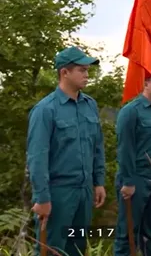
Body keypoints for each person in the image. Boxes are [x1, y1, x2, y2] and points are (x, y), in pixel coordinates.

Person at [26, 46, 106, 256]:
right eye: (82, 70)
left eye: (88, 70)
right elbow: (37, 157)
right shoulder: (45, 110)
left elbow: (97, 146)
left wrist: (98, 182)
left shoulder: (89, 105)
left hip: (84, 191)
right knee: (51, 249)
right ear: (65, 72)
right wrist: (42, 197)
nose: (87, 75)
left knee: (77, 249)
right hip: (58, 193)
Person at [114, 63, 151, 256]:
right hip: (136, 177)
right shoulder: (131, 111)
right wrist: (128, 181)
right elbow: (125, 149)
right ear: (146, 83)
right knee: (128, 232)